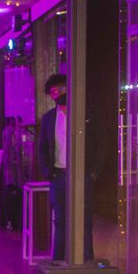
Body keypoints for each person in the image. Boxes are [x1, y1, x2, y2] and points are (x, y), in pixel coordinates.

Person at [38, 74, 95, 261]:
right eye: (53, 92)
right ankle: (58, 263)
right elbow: (43, 148)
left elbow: (101, 141)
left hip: (82, 175)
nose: (57, 94)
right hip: (59, 175)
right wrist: (49, 173)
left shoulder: (85, 114)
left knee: (84, 221)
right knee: (60, 221)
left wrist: (93, 172)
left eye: (60, 89)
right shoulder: (48, 119)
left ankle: (87, 262)